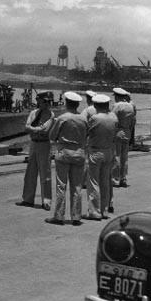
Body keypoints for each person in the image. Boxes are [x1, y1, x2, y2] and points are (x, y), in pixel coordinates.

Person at [46, 92, 86, 226]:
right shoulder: (84, 119)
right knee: (77, 186)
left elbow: (52, 136)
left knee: (61, 186)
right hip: (79, 153)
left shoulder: (62, 118)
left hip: (64, 153)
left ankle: (59, 216)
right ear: (78, 104)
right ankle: (76, 216)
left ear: (66, 103)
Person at [17, 91, 55, 210]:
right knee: (30, 173)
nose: (47, 104)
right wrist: (37, 129)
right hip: (33, 144)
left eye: (48, 102)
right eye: (44, 101)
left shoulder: (51, 115)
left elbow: (45, 130)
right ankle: (28, 199)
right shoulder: (33, 113)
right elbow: (26, 127)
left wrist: (33, 129)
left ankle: (46, 201)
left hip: (44, 145)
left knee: (45, 174)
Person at [84, 94, 117, 220]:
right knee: (105, 182)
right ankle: (105, 210)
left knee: (93, 182)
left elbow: (86, 132)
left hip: (96, 152)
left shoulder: (94, 118)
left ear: (96, 105)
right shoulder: (113, 117)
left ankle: (94, 211)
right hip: (109, 151)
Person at [111, 87, 136, 188]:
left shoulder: (116, 106)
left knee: (116, 155)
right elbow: (133, 121)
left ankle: (115, 178)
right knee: (125, 157)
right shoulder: (130, 106)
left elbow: (112, 120)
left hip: (118, 132)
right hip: (127, 132)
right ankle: (123, 178)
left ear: (117, 96)